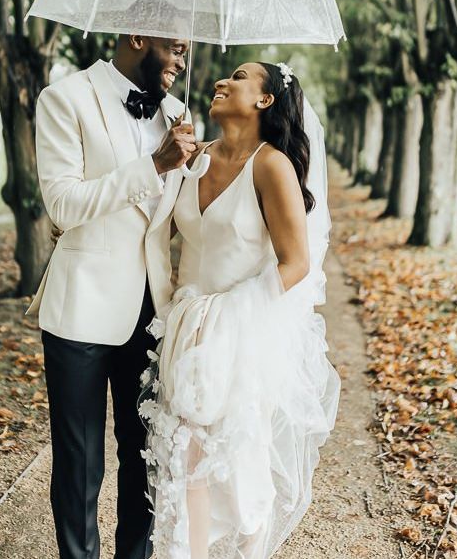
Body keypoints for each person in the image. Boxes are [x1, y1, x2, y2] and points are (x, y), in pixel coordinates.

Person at [139, 62, 341, 558]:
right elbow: (160, 233)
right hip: (186, 327)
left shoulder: (271, 165)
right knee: (184, 454)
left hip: (243, 330)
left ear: (265, 100)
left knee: (238, 458)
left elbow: (296, 263)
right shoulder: (197, 158)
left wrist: (233, 313)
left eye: (240, 76)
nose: (221, 82)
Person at [25, 32, 196, 559]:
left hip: (152, 310)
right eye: (175, 49)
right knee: (80, 463)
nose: (181, 62)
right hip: (81, 307)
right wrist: (155, 166)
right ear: (138, 37)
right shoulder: (65, 98)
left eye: (186, 53)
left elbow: (172, 219)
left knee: (145, 454)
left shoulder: (178, 113)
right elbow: (62, 205)